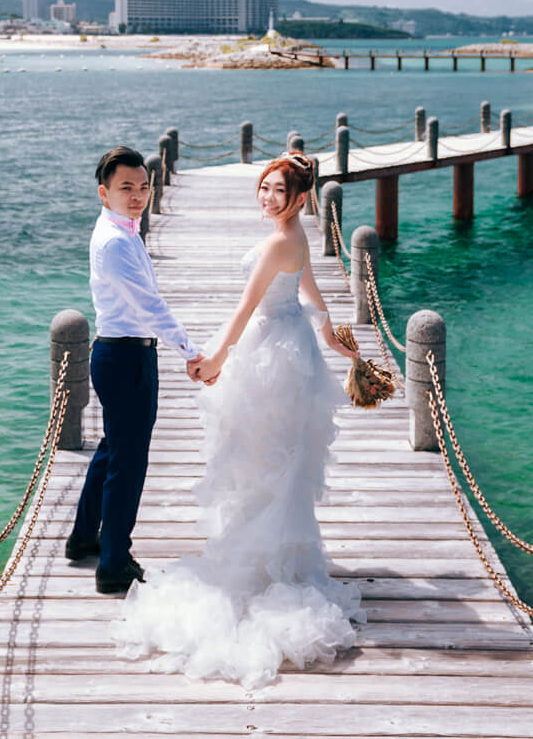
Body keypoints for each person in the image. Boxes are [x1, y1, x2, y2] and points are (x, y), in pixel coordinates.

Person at [111, 152, 365, 688]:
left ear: (300, 198)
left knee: (263, 456)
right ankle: (280, 555)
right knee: (280, 458)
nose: (268, 197)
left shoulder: (279, 240)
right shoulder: (294, 235)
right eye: (264, 188)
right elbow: (311, 292)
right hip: (293, 349)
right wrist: (333, 339)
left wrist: (217, 358)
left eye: (279, 191)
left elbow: (247, 308)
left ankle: (262, 562)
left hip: (270, 352)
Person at [69, 146, 207, 594]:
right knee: (128, 464)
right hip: (127, 358)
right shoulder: (115, 242)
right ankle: (113, 564)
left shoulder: (122, 230)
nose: (138, 195)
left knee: (113, 450)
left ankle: (85, 537)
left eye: (144, 186)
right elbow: (150, 306)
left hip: (119, 353)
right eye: (126, 187)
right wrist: (190, 349)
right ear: (103, 192)